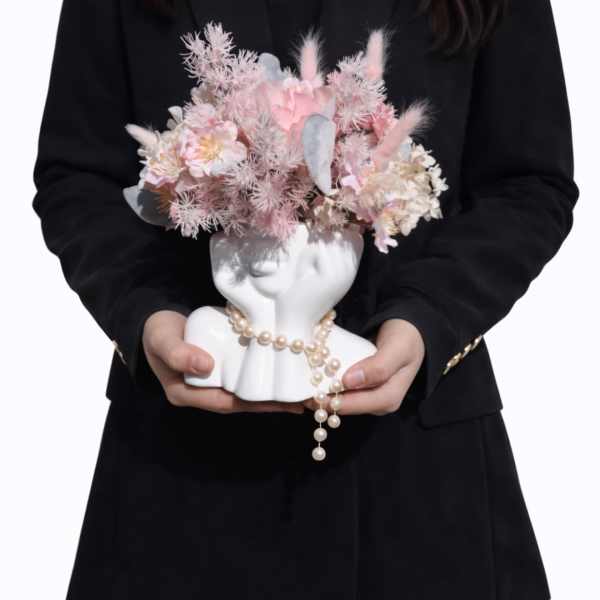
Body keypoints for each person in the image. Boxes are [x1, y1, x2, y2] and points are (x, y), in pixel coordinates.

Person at [33, 0, 577, 598]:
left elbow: (528, 184)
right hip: (177, 467)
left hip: (416, 471)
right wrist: (147, 312)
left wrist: (428, 317)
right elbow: (77, 176)